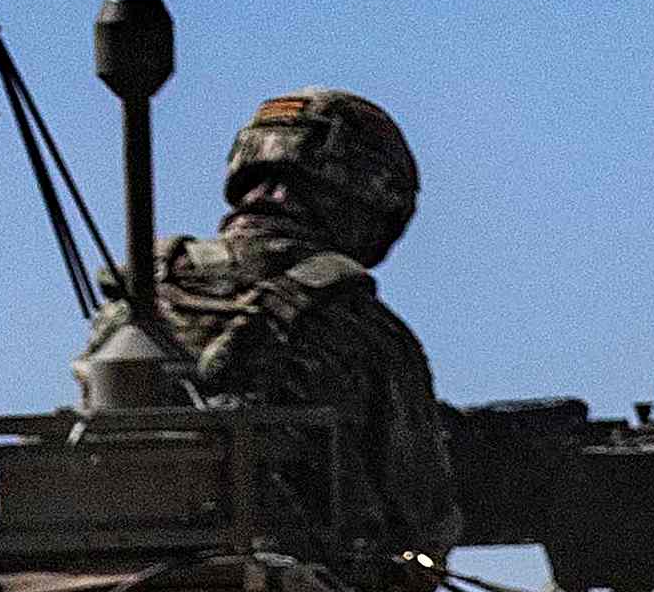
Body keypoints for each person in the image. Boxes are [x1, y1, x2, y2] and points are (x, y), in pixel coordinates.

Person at [109, 88, 461, 563]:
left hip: (100, 587)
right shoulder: (364, 329)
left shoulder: (141, 295)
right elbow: (423, 526)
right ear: (368, 197)